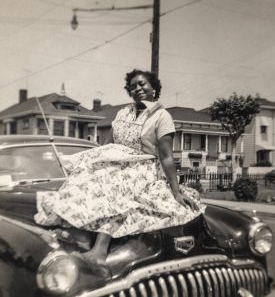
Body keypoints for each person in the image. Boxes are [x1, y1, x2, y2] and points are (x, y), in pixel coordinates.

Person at [34, 69, 205, 274]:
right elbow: (108, 145)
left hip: (143, 167)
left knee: (118, 185)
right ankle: (70, 234)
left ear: (154, 88)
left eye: (142, 84)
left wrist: (176, 192)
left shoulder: (162, 116)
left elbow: (166, 156)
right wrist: (95, 163)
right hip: (118, 162)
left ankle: (99, 251)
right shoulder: (123, 113)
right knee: (88, 177)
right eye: (133, 87)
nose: (138, 89)